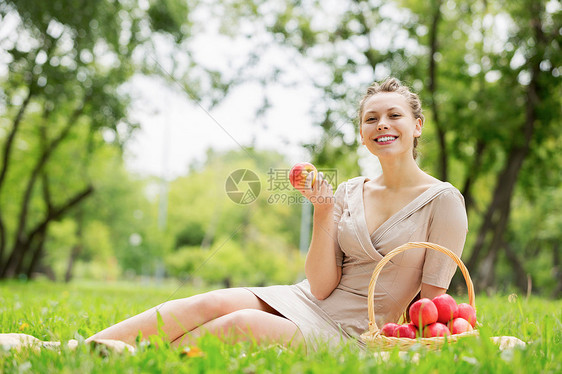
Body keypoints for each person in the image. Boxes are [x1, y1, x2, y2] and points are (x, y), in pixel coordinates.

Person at [1, 77, 468, 353]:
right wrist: (323, 212)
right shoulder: (348, 190)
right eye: (371, 119)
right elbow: (322, 286)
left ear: (416, 125)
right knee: (207, 303)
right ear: (362, 132)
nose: (382, 125)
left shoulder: (443, 201)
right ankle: (70, 350)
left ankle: (127, 360)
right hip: (309, 301)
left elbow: (431, 310)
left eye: (394, 116)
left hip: (358, 333)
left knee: (236, 326)